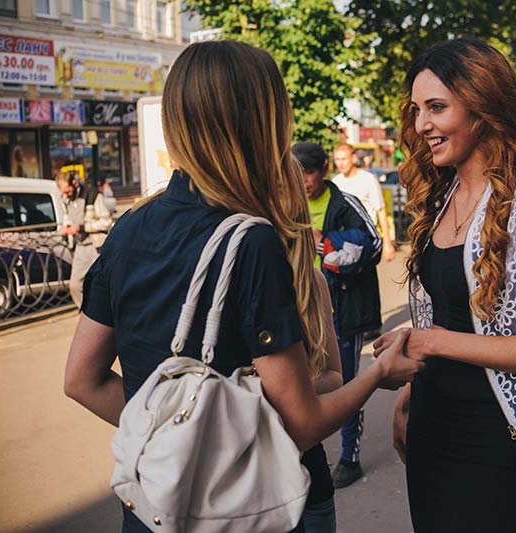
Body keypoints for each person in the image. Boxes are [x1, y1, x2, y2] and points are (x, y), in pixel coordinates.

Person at [62, 40, 423, 533]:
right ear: (262, 124)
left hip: (157, 505)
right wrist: (378, 372)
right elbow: (302, 421)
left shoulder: (130, 226)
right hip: (254, 509)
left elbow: (81, 380)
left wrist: (174, 438)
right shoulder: (251, 241)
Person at [373, 38, 516, 533]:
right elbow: (443, 312)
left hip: (494, 434)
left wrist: (427, 342)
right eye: (417, 110)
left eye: (436, 107)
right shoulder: (442, 192)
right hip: (430, 423)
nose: (422, 124)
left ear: (482, 106)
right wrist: (410, 393)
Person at [293, 142, 383, 490]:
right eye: (296, 173)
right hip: (299, 314)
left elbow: (373, 243)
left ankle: (349, 456)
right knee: (298, 386)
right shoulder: (286, 204)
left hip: (341, 313)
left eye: (309, 172)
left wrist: (325, 242)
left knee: (345, 384)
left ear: (323, 170)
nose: (303, 181)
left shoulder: (345, 204)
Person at [332, 144, 396, 262]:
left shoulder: (368, 179)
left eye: (344, 159)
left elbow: (381, 210)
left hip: (366, 239)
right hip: (344, 242)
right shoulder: (335, 182)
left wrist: (387, 243)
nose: (341, 163)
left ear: (353, 158)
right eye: (337, 160)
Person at [56, 171, 101, 309]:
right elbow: (67, 219)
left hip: (96, 245)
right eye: (63, 192)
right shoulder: (65, 200)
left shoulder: (92, 195)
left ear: (74, 183)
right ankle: (86, 313)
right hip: (80, 246)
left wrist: (81, 228)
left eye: (68, 190)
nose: (66, 194)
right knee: (75, 285)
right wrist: (65, 227)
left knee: (102, 283)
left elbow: (106, 221)